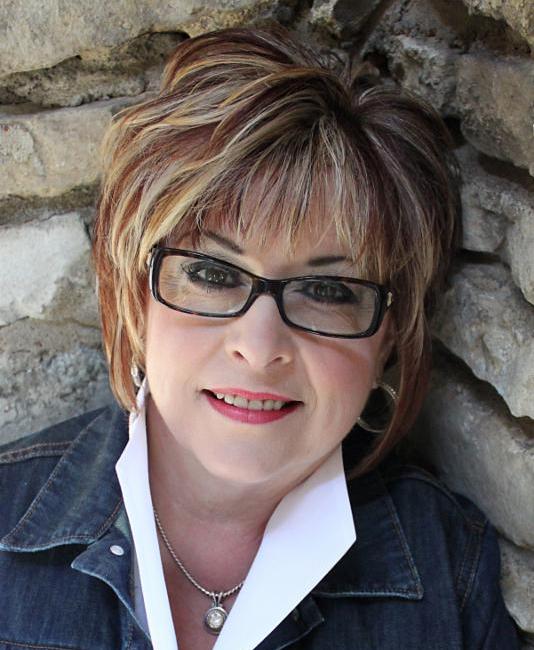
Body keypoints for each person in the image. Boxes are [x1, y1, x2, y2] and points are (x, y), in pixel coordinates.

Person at [0, 24, 521, 650]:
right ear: (134, 292)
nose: (260, 344)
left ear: (389, 335)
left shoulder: (447, 568)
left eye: (327, 290)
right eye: (212, 274)